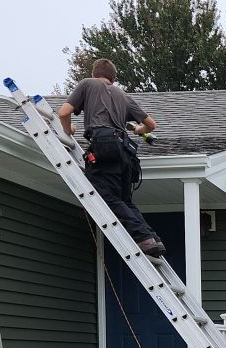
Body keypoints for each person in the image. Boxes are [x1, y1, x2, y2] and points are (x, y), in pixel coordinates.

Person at [57, 58, 165, 256]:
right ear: (113, 79)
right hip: (126, 152)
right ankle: (152, 238)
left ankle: (143, 237)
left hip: (104, 146)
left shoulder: (87, 84)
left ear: (93, 74)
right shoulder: (122, 95)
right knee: (125, 200)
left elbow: (64, 112)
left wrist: (68, 130)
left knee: (105, 196)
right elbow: (151, 125)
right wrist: (139, 130)